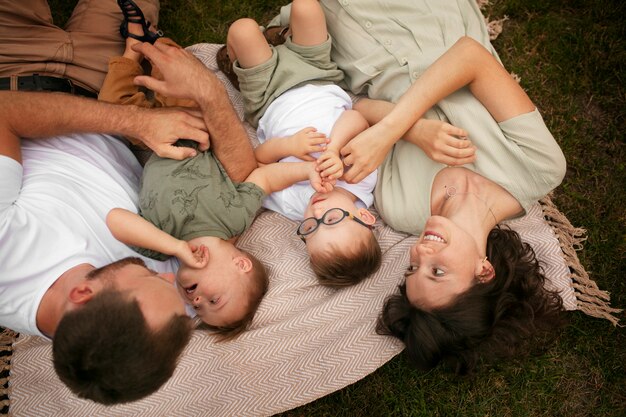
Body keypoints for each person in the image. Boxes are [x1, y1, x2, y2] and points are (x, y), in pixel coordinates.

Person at [270, 0, 567, 372]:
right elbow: (472, 58)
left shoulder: (401, 207)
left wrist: (413, 131)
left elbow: (361, 112)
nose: (420, 255)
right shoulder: (538, 169)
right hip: (425, 15)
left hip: (357, 48)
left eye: (412, 271)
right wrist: (399, 130)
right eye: (437, 271)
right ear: (483, 270)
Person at [0, 0, 257, 403]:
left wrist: (138, 124)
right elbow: (239, 187)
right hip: (109, 83)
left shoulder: (5, 259)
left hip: (12, 69)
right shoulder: (165, 306)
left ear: (82, 295)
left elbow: (3, 115)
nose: (172, 276)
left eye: (149, 275)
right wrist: (209, 94)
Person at [100, 0, 341, 336]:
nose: (197, 300)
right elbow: (264, 177)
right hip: (193, 129)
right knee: (175, 72)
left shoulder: (161, 243)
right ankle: (154, 43)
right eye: (214, 300)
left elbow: (115, 219)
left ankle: (131, 50)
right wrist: (306, 171)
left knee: (111, 103)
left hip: (149, 142)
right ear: (240, 264)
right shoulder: (235, 219)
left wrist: (175, 248)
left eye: (197, 307)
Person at [222, 0, 382, 286]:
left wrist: (291, 149)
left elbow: (259, 163)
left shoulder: (294, 205)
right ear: (364, 216)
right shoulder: (361, 179)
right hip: (319, 75)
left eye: (311, 228)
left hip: (269, 96)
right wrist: (334, 150)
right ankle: (279, 41)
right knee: (306, 7)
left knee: (242, 30)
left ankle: (242, 63)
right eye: (332, 219)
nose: (317, 213)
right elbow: (357, 118)